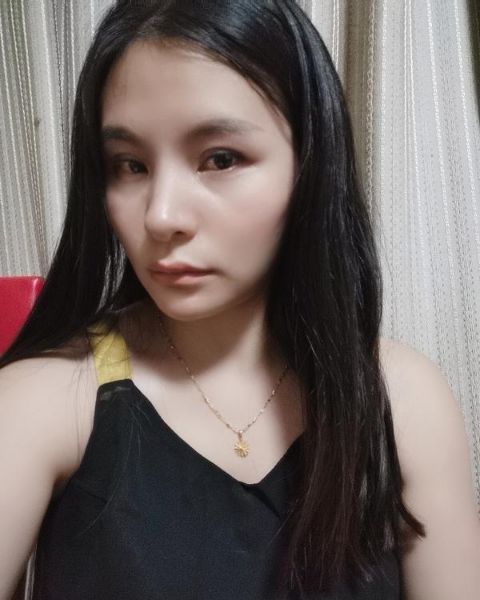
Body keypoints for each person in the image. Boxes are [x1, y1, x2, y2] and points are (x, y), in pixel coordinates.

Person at [1, 0, 479, 598]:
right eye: (130, 165)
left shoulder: (401, 401)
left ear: (310, 165)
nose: (161, 216)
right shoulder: (45, 401)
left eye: (220, 159)